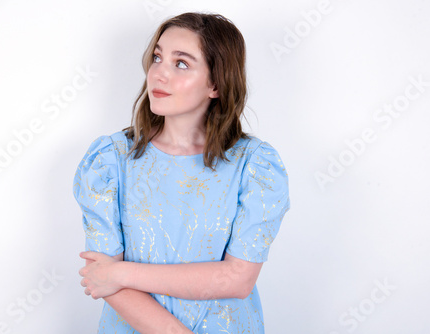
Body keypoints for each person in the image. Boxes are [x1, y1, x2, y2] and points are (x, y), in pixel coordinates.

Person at [73, 11, 291, 333]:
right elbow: (101, 275)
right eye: (158, 57)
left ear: (215, 84)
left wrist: (119, 273)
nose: (159, 74)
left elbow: (238, 278)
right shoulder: (110, 161)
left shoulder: (255, 166)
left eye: (181, 63)